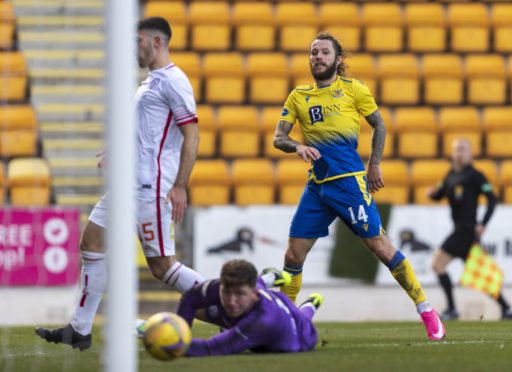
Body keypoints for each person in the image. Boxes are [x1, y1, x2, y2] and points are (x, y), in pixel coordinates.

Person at [35, 17, 204, 350]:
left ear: (157, 42)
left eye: (138, 40)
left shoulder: (173, 81)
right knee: (92, 242)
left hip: (150, 187)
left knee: (162, 268)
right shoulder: (150, 82)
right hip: (128, 184)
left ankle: (236, 304)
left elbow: (192, 134)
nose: (133, 47)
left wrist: (180, 185)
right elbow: (147, 135)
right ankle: (80, 329)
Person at [272, 32, 445, 341]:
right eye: (314, 52)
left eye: (324, 52)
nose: (318, 57)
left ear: (338, 60)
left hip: (349, 183)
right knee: (293, 256)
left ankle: (425, 307)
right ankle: (284, 320)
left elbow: (379, 124)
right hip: (317, 187)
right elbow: (278, 138)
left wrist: (374, 164)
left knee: (379, 246)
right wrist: (297, 147)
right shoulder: (299, 96)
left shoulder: (354, 90)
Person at [428, 138, 512, 320]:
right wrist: (432, 194)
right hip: (462, 232)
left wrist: (483, 223)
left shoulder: (476, 175)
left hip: (466, 231)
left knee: (437, 264)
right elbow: (440, 194)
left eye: (462, 149)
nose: (459, 153)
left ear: (470, 153)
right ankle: (507, 309)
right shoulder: (450, 175)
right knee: (481, 276)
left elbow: (492, 199)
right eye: (456, 149)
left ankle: (452, 309)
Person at [175, 259, 322, 357]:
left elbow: (212, 348)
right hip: (273, 300)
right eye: (226, 292)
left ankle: (311, 304)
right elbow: (189, 299)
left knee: (304, 317)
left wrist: (172, 344)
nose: (231, 301)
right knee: (225, 307)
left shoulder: (263, 321)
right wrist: (179, 333)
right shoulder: (220, 286)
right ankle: (271, 276)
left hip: (302, 335)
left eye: (239, 294)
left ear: (254, 293)